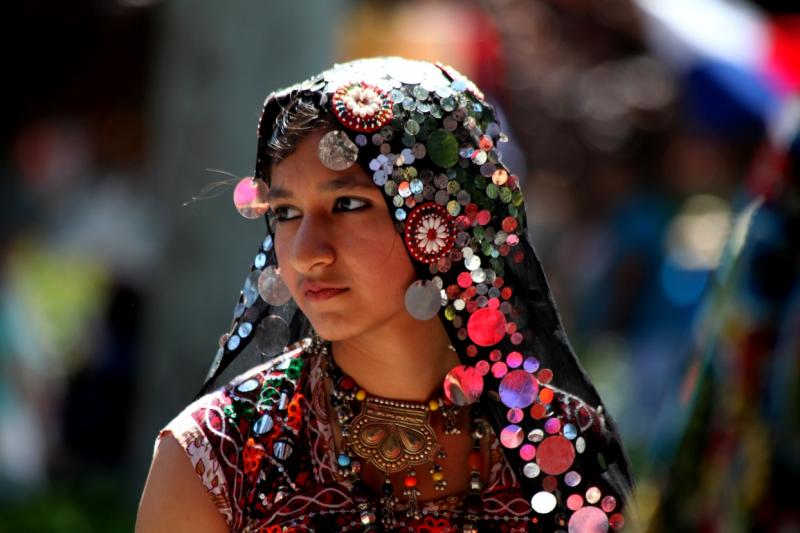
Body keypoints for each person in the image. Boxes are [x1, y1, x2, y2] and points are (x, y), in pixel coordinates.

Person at [137, 57, 633, 532]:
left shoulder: (561, 450)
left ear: (445, 220)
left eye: (348, 203)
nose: (307, 252)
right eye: (286, 213)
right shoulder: (215, 459)